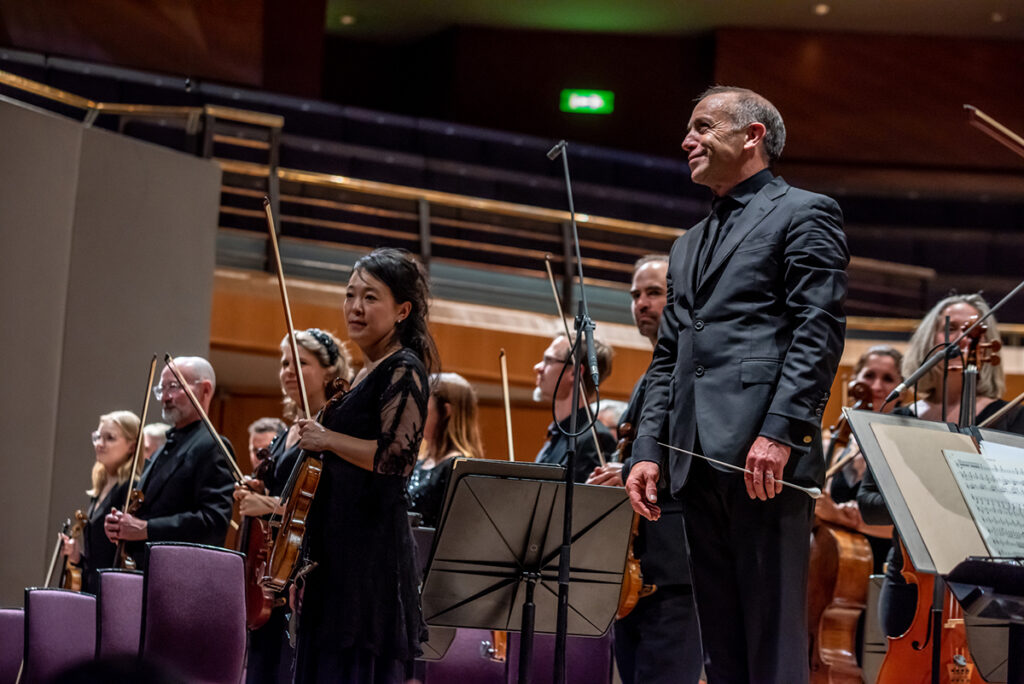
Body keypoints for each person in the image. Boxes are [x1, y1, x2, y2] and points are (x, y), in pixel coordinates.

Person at [626, 86, 848, 684]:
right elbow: (670, 355)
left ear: (751, 136)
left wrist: (781, 432)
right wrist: (648, 449)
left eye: (702, 127)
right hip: (693, 458)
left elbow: (818, 331)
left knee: (772, 645)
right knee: (720, 646)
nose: (686, 140)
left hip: (765, 460)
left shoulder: (806, 211)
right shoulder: (686, 244)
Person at [290, 248, 437, 683]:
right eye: (350, 294)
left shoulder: (405, 369)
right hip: (336, 554)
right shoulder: (365, 373)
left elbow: (396, 459)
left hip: (368, 559)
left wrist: (326, 438)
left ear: (401, 311)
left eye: (370, 297)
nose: (355, 307)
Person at [858, 293, 1024, 638]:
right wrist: (929, 502)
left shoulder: (1013, 418)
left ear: (986, 343)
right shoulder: (900, 420)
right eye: (947, 329)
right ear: (929, 339)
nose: (959, 338)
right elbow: (869, 507)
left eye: (971, 330)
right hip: (909, 579)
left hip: (989, 584)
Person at [587, 254, 703, 684]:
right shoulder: (650, 375)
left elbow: (697, 458)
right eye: (636, 295)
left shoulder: (699, 371)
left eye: (654, 293)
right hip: (634, 567)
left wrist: (632, 469)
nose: (641, 304)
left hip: (676, 568)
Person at [233, 329, 349, 684]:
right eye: (284, 362)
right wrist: (260, 489)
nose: (287, 370)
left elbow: (321, 502)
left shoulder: (333, 426)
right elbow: (288, 491)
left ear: (329, 371)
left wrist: (264, 503)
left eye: (300, 362)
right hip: (274, 567)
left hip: (304, 570)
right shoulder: (289, 431)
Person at [104, 356, 236, 569]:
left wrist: (146, 528)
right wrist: (122, 524)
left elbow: (214, 521)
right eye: (161, 389)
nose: (165, 397)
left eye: (173, 387)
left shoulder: (213, 446)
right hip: (147, 572)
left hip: (181, 575)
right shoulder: (164, 447)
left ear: (205, 390)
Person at [815, 346, 903, 573]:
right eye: (869, 375)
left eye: (887, 379)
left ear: (901, 389)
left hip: (883, 566)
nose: (875, 387)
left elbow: (906, 526)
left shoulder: (903, 449)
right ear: (854, 381)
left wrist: (840, 516)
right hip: (834, 565)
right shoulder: (834, 446)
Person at [61, 410, 141, 593]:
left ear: (132, 446)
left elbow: (123, 555)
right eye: (98, 437)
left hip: (112, 592)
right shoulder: (100, 487)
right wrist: (77, 557)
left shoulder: (131, 488)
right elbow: (98, 557)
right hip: (93, 589)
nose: (99, 444)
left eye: (110, 438)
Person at [532, 333, 616, 483]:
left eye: (548, 360)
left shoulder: (593, 439)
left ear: (574, 372)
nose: (538, 367)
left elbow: (581, 503)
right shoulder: (558, 435)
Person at [408, 372, 484, 528]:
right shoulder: (420, 460)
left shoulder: (459, 466)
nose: (417, 413)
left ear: (446, 411)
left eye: (423, 407)